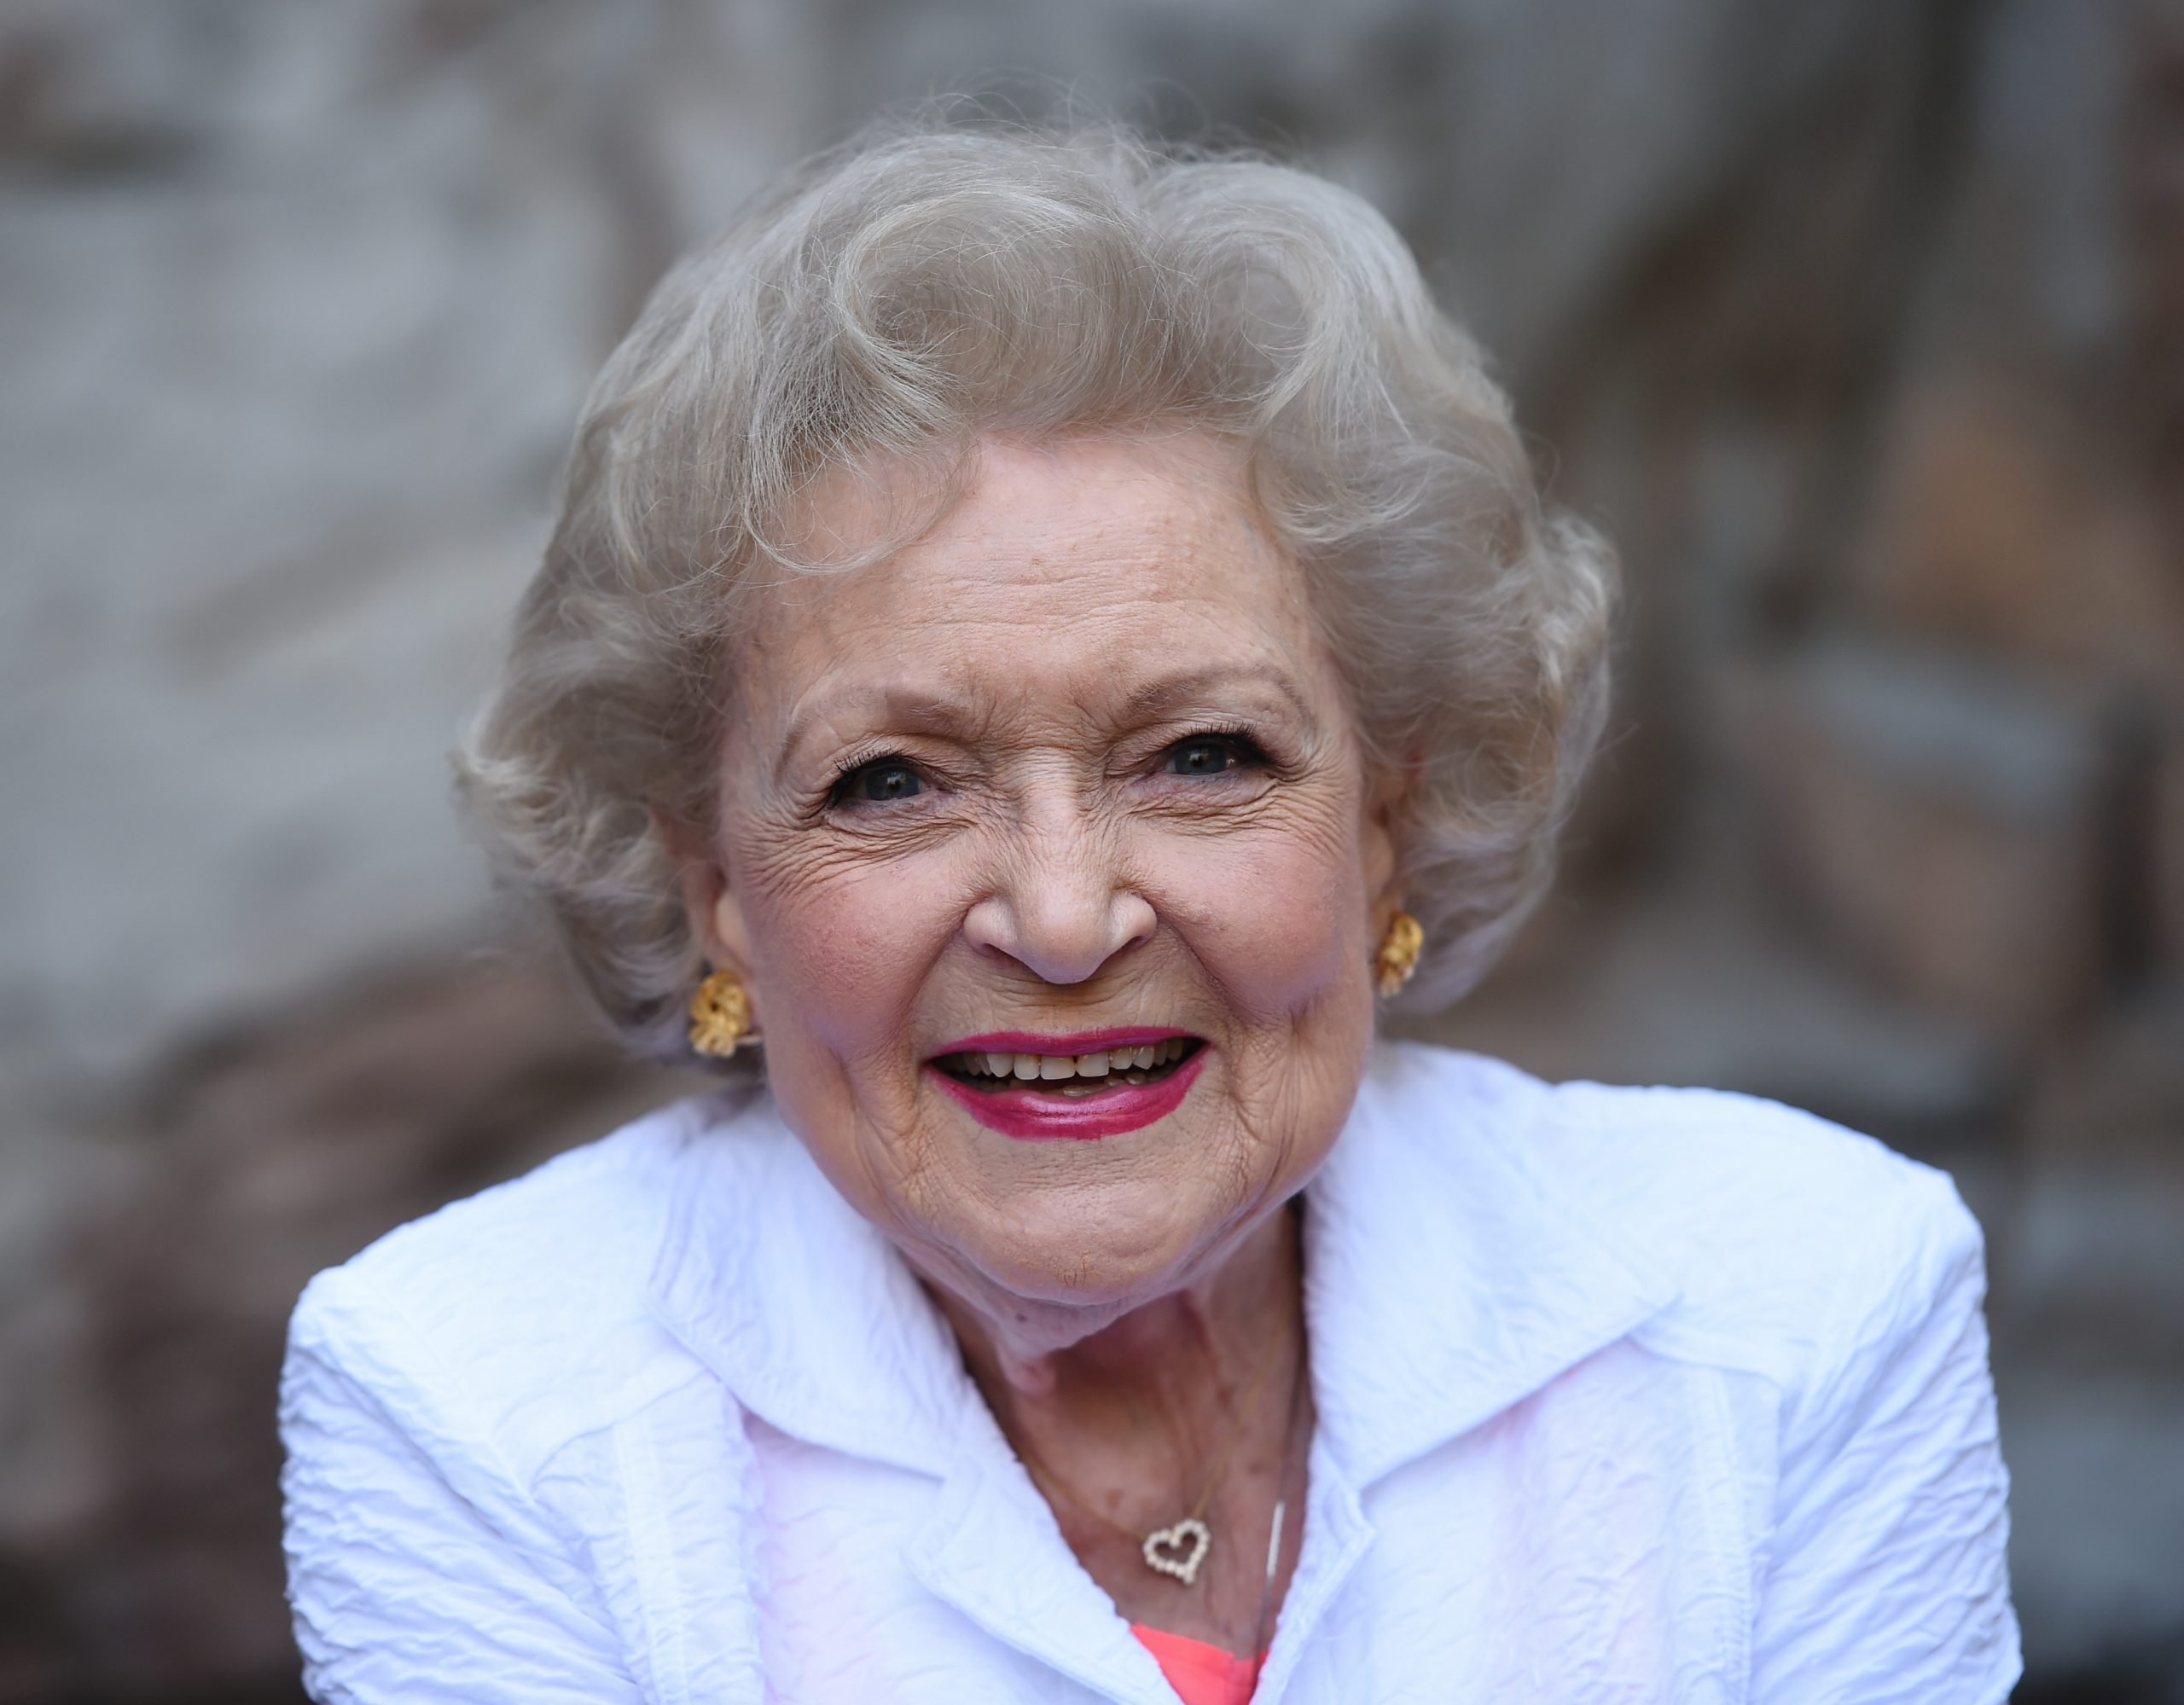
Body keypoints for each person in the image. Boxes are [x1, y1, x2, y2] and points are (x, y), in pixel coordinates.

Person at [278, 112, 2020, 1704]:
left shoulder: (1791, 1308)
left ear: (1386, 827)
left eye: (1197, 754)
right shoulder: (483, 1406)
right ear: (714, 887)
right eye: (889, 780)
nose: (1056, 915)